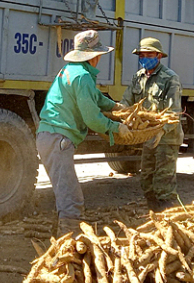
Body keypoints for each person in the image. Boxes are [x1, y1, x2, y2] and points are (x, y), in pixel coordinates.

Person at [36, 30, 132, 236]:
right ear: (94, 56)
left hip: (49, 136)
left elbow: (95, 98)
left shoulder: (71, 71)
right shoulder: (82, 77)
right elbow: (92, 118)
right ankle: (69, 246)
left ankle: (63, 238)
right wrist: (117, 127)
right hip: (58, 138)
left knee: (65, 194)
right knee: (71, 198)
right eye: (99, 55)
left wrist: (115, 106)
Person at [121, 38, 183, 211]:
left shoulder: (170, 78)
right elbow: (126, 101)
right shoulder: (138, 77)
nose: (145, 57)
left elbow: (174, 112)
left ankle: (169, 218)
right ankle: (154, 215)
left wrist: (161, 130)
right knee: (147, 180)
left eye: (149, 54)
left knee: (163, 182)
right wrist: (117, 113)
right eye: (142, 54)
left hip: (167, 137)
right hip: (148, 136)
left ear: (158, 56)